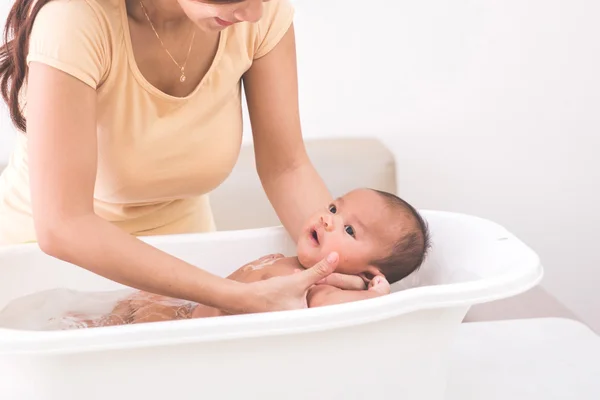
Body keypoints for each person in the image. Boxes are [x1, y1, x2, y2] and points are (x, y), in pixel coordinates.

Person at [0, 0, 367, 316]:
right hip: (46, 269)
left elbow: (286, 168)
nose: (255, 12)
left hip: (188, 259)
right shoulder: (76, 21)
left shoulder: (258, 13)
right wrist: (238, 297)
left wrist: (348, 275)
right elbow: (64, 225)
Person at [55, 188, 430, 328]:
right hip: (184, 309)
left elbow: (339, 315)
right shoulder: (299, 269)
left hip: (186, 330)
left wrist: (372, 296)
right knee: (131, 304)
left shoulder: (320, 288)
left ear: (368, 272)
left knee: (112, 325)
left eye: (349, 230)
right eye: (334, 207)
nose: (328, 220)